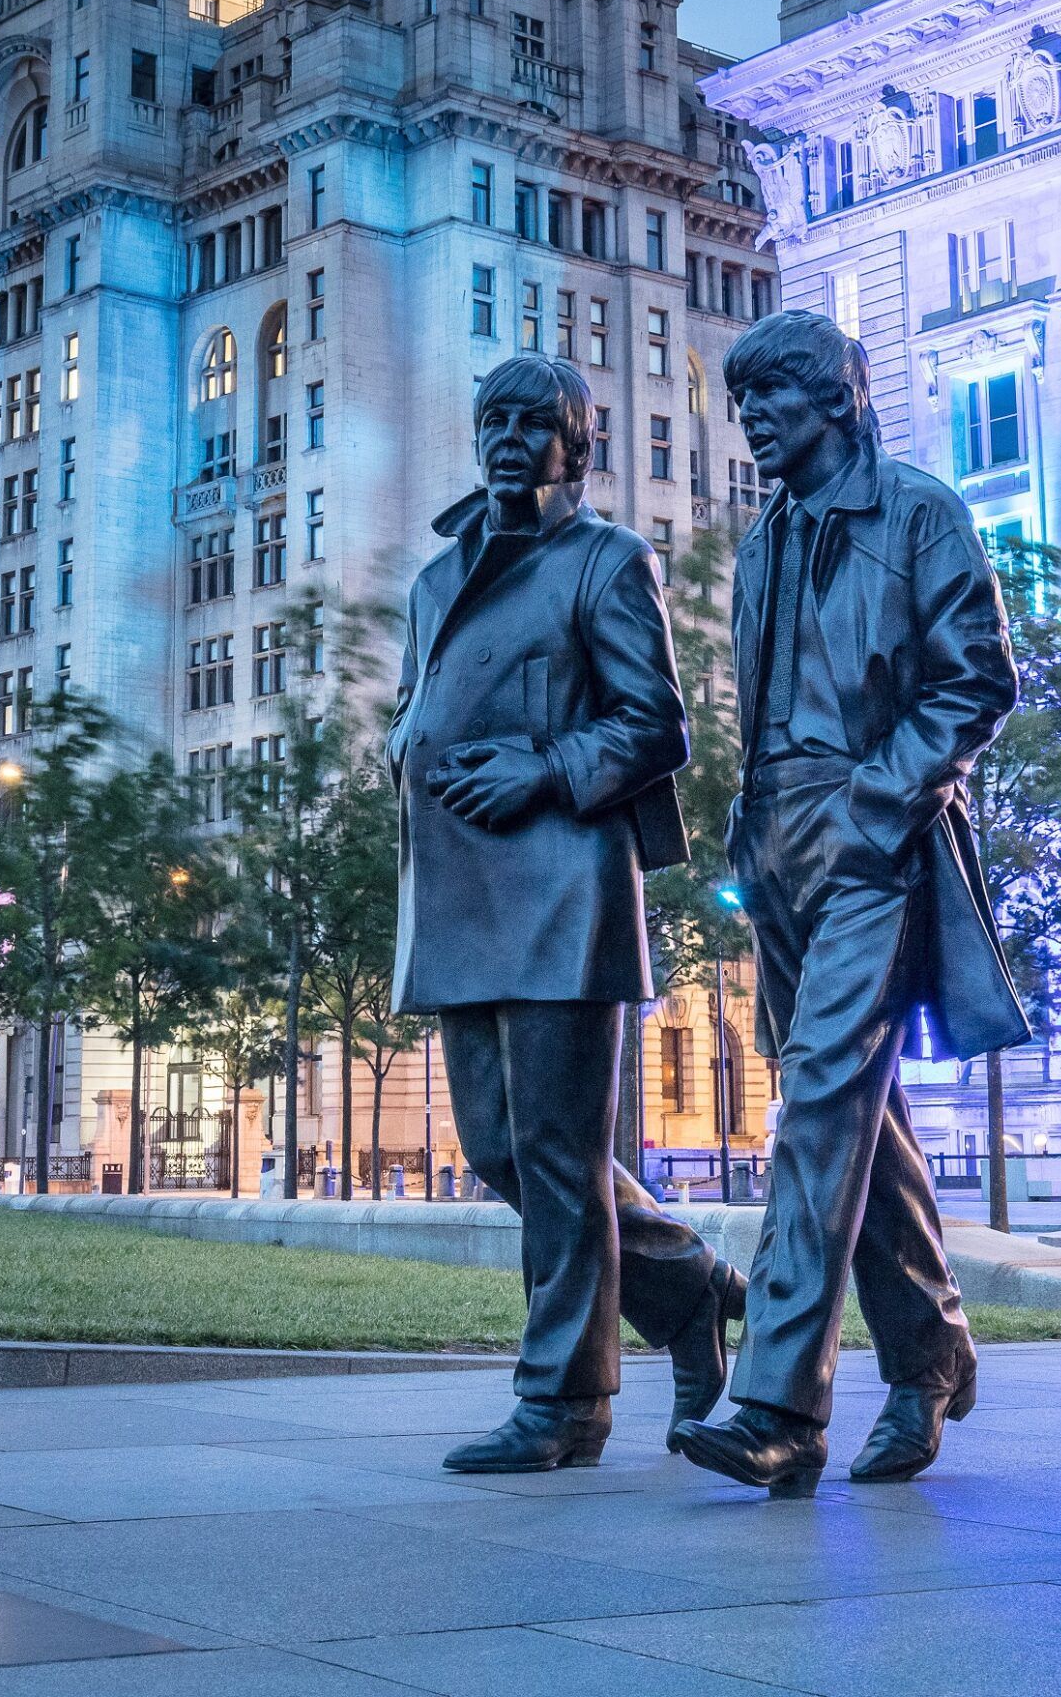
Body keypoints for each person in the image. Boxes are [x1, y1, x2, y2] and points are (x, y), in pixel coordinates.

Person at [675, 311, 1023, 1498]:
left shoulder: (916, 511)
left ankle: (778, 1404)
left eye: (773, 392)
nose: (754, 415)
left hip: (874, 834)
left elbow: (976, 678)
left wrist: (877, 801)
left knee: (820, 1103)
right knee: (854, 1114)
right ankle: (928, 1354)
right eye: (744, 398)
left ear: (836, 393)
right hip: (775, 844)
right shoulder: (762, 540)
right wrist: (753, 832)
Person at [391, 355, 743, 1473]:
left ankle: (564, 1404)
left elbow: (656, 725)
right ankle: (690, 1290)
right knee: (501, 1149)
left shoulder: (607, 561)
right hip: (454, 890)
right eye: (490, 416)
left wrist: (542, 768)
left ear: (576, 446)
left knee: (554, 1156)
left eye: (532, 422)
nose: (507, 437)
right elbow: (420, 701)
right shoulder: (437, 577)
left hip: (560, 891)